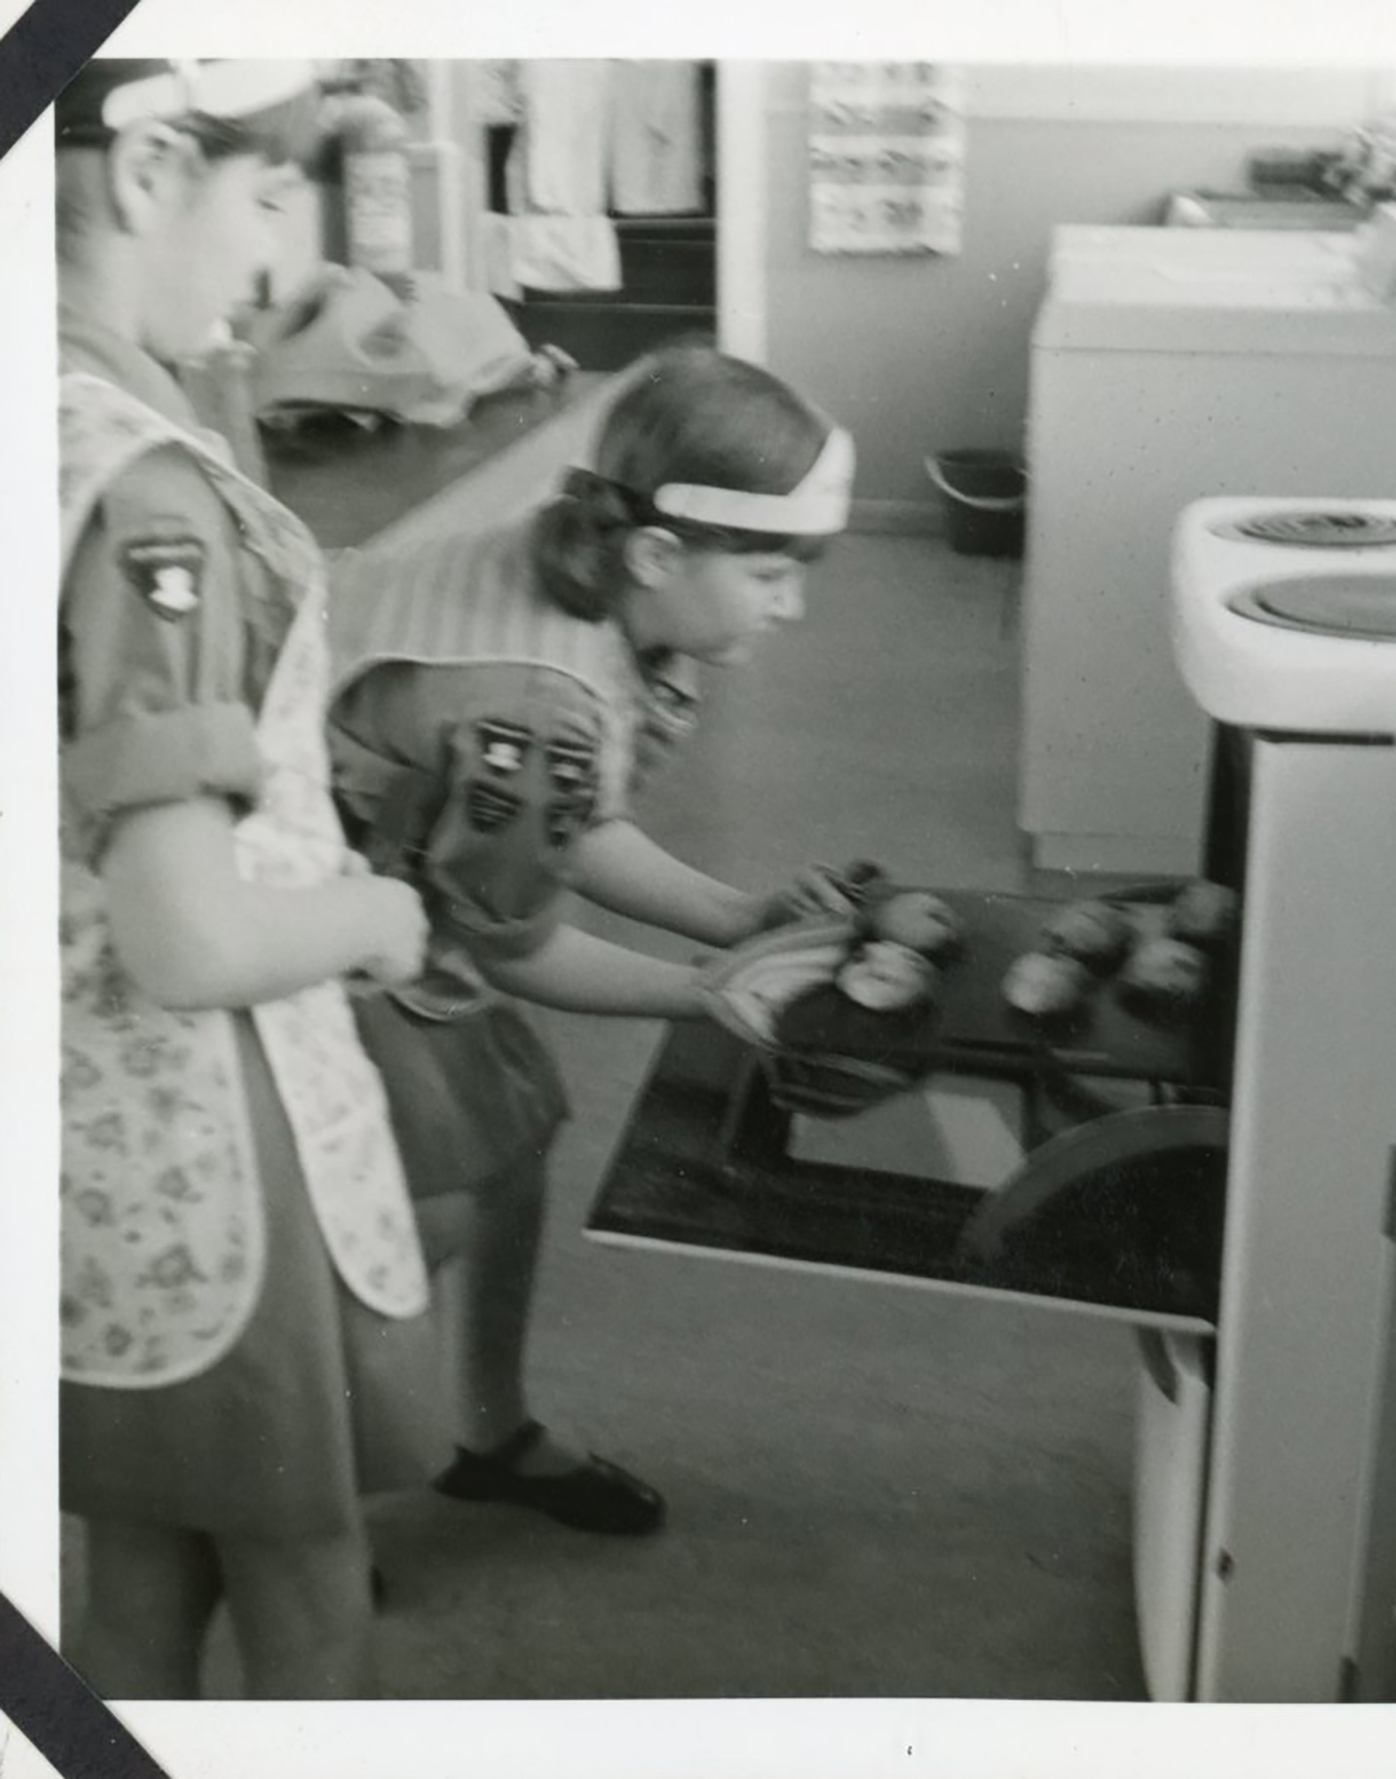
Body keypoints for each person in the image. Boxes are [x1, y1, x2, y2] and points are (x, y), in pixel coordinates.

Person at [326, 342, 856, 1536]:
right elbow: (516, 945)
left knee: (506, 1142)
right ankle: (307, 1510)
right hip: (294, 892)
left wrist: (730, 917)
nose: (794, 605)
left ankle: (487, 1432)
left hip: (385, 856)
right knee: (415, 1205)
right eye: (773, 574)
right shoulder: (533, 698)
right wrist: (711, 991)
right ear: (660, 554)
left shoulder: (586, 571)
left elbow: (563, 830)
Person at [55, 59, 440, 1698]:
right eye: (272, 192)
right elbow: (194, 937)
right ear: (148, 170)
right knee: (304, 1592)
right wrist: (378, 913)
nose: (290, 257)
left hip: (65, 1133)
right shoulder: (150, 497)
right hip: (199, 1125)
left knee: (137, 1563)